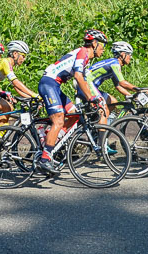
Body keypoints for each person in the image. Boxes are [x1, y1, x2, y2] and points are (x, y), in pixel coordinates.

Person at [38, 30, 106, 170]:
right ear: (94, 43)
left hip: (55, 86)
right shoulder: (83, 52)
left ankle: (52, 139)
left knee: (74, 114)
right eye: (102, 45)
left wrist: (92, 98)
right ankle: (45, 158)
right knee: (58, 120)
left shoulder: (85, 58)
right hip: (49, 84)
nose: (103, 49)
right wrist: (90, 98)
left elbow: (85, 82)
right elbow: (78, 77)